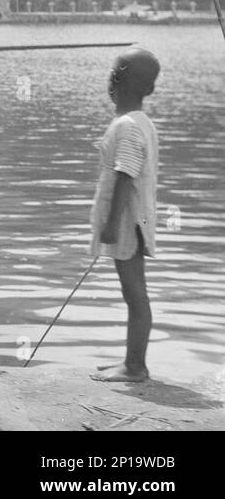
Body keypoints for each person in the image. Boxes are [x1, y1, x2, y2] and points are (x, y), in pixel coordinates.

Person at [90, 47, 160, 384]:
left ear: (114, 82)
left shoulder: (128, 126)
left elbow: (124, 175)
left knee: (134, 292)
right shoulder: (141, 122)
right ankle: (133, 361)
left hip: (128, 222)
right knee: (134, 291)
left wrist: (110, 225)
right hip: (137, 219)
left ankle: (135, 366)